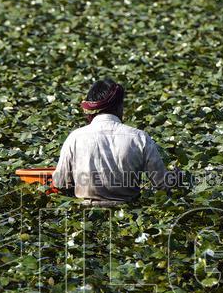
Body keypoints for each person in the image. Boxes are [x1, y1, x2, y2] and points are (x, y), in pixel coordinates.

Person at [53, 78, 179, 206]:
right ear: (119, 106)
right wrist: (176, 177)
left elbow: (60, 183)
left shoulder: (75, 137)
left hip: (84, 213)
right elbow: (162, 185)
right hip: (129, 213)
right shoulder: (139, 138)